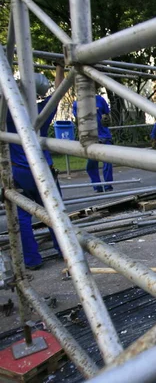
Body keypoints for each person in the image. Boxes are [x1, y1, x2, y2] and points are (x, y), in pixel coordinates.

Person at [7, 67, 64, 270]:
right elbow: (59, 91)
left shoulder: (6, 114)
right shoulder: (42, 111)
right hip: (43, 171)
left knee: (23, 217)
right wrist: (60, 68)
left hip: (19, 172)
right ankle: (64, 249)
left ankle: (32, 260)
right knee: (54, 212)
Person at [72, 93, 113, 192]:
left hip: (104, 136)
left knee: (107, 162)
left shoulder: (100, 100)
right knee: (91, 165)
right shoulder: (77, 103)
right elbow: (78, 120)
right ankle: (98, 187)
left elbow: (107, 115)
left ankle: (108, 186)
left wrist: (106, 119)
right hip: (90, 139)